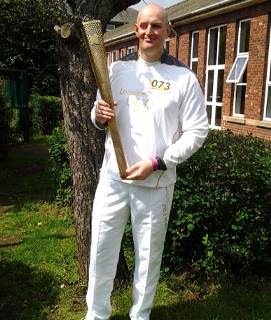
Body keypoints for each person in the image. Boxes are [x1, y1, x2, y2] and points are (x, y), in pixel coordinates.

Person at [85, 3, 208, 320]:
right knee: (101, 251)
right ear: (135, 29)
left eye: (156, 26)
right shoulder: (115, 69)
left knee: (148, 257)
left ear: (168, 30)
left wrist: (158, 162)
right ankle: (96, 314)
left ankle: (140, 315)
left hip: (155, 184)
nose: (148, 32)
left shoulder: (183, 78)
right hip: (113, 179)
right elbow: (99, 114)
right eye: (143, 25)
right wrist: (98, 116)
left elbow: (197, 132)